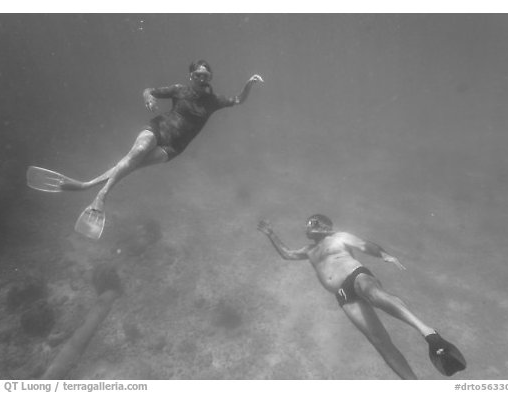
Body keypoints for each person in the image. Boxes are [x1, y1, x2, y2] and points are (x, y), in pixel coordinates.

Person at [27, 60, 263, 239]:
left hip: (174, 147)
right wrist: (148, 98)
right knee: (134, 155)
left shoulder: (213, 101)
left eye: (206, 75)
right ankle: (100, 197)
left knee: (131, 166)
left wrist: (248, 85)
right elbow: (148, 90)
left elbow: (239, 100)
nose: (202, 78)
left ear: (210, 77)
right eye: (198, 74)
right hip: (158, 128)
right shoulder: (179, 89)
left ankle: (85, 185)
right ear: (191, 75)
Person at [257, 214, 466, 379]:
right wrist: (270, 233)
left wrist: (384, 255)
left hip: (355, 276)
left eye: (310, 222)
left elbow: (364, 245)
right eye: (306, 224)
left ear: (322, 225)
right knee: (378, 341)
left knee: (374, 295)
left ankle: (428, 333)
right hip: (343, 295)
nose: (306, 227)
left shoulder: (338, 237)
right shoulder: (309, 250)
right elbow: (287, 254)